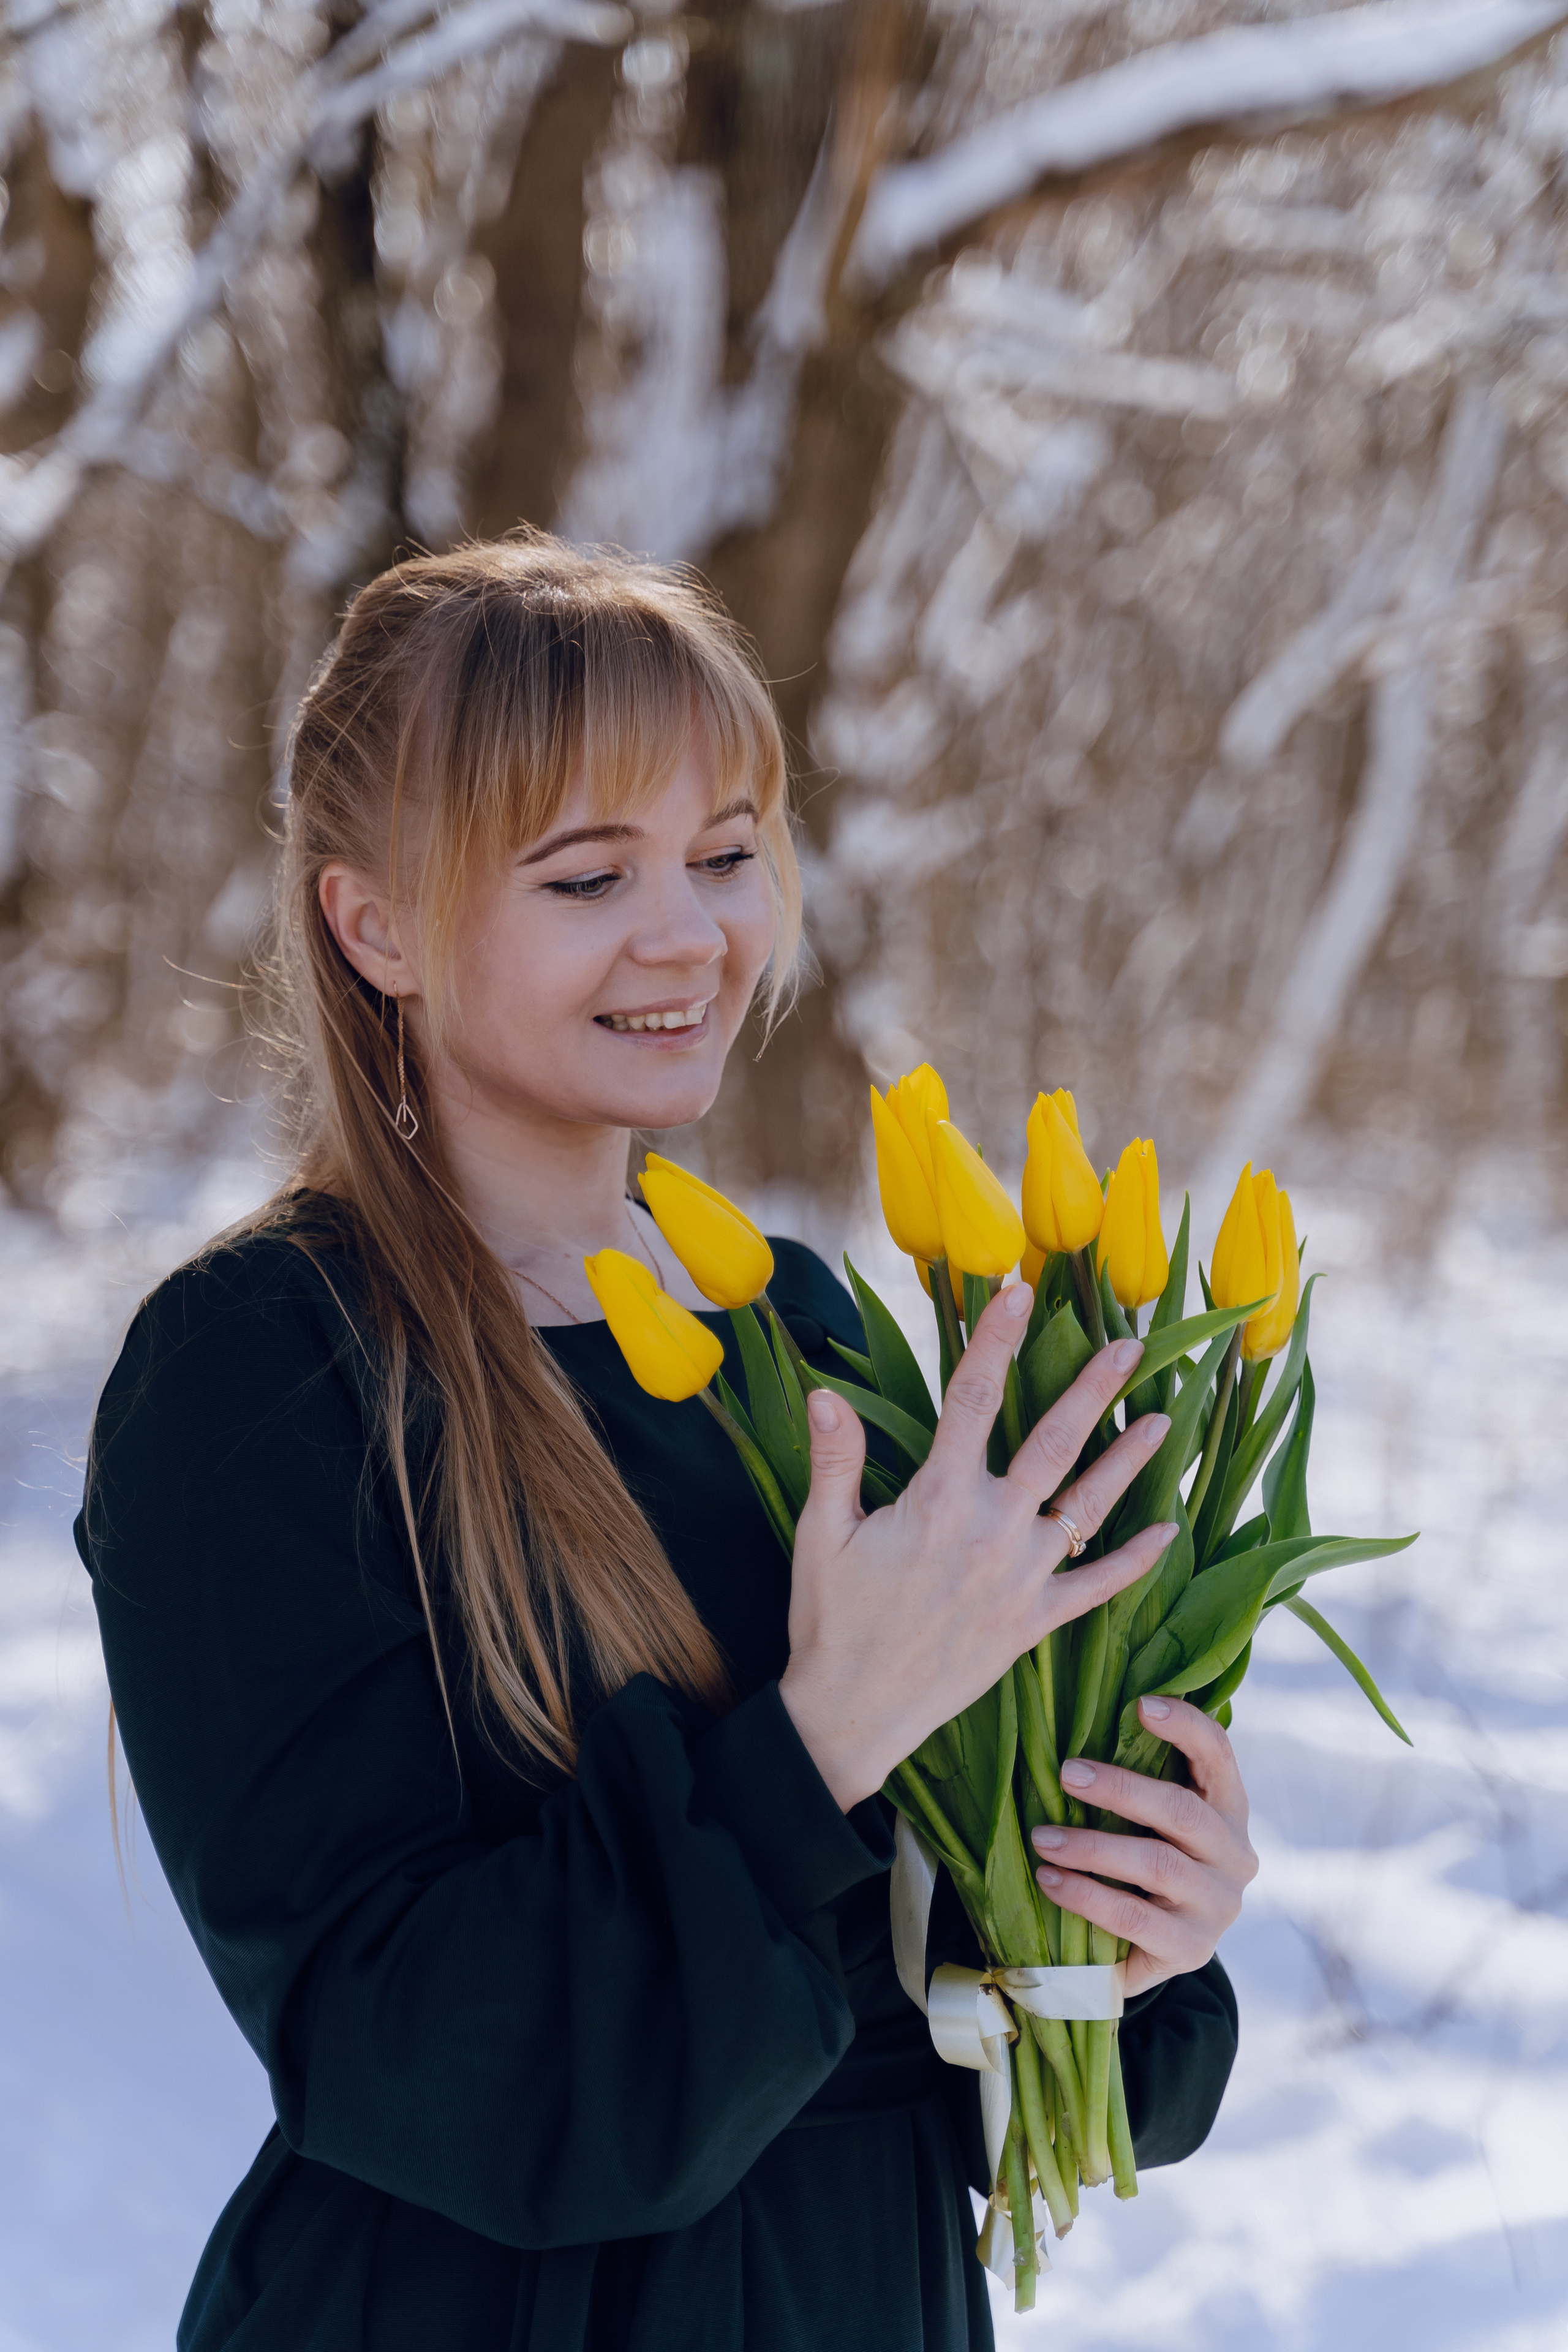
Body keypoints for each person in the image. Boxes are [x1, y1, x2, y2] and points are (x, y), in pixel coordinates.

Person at [76, 537, 1255, 2352]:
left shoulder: (801, 1335)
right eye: (585, 875)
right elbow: (421, 2053)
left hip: (862, 2297)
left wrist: (1127, 1936)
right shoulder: (260, 1378)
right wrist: (824, 1741)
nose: (690, 933)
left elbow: (961, 2048)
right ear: (370, 920)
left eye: (724, 854)